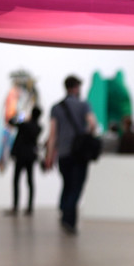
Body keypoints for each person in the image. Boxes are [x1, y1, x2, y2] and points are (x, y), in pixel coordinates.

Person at [44, 75, 97, 234]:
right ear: (75, 87)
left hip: (64, 153)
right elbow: (92, 123)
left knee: (67, 184)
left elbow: (52, 134)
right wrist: (86, 134)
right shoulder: (83, 105)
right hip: (79, 153)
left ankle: (64, 211)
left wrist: (49, 156)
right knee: (76, 187)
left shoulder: (56, 107)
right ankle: (70, 221)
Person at [6, 105, 42, 215]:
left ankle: (15, 206)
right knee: (30, 181)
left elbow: (11, 122)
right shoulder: (38, 127)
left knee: (16, 181)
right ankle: (30, 207)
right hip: (30, 156)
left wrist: (21, 117)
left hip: (21, 156)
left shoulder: (25, 125)